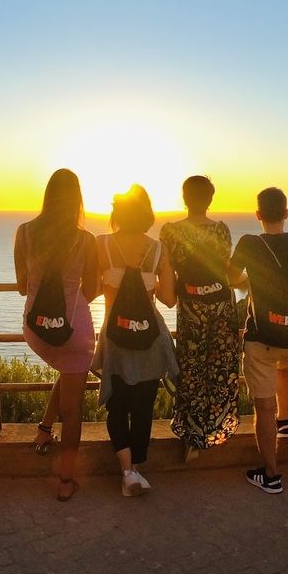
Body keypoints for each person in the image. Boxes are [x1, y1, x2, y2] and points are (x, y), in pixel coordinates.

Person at [14, 169, 99, 501]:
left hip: (34, 327)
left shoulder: (24, 232)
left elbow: (22, 287)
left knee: (66, 372)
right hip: (75, 328)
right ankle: (65, 480)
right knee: (74, 406)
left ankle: (44, 429)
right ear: (77, 198)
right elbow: (91, 289)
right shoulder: (86, 239)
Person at [94, 185, 177, 496]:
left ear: (117, 213)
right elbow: (168, 298)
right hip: (150, 338)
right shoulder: (157, 250)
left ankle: (126, 471)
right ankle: (136, 472)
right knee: (143, 407)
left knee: (117, 406)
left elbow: (90, 289)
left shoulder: (102, 245)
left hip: (115, 336)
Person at [228, 187, 288, 494]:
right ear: (287, 213)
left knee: (262, 409)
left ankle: (271, 475)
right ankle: (285, 422)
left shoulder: (250, 242)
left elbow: (231, 277)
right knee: (283, 366)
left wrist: (252, 282)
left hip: (262, 337)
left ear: (258, 215)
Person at [160, 176, 240, 462]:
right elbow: (228, 271)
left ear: (184, 198)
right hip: (221, 310)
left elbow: (168, 295)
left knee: (192, 373)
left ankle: (192, 441)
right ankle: (215, 432)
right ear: (210, 199)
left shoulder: (169, 232)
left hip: (192, 312)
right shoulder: (222, 230)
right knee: (219, 371)